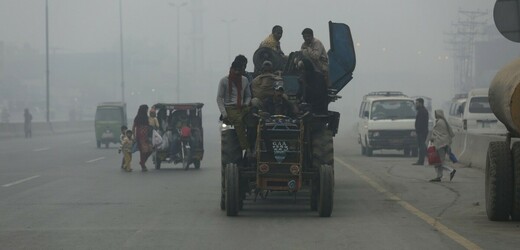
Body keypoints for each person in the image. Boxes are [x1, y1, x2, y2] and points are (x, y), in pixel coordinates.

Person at [217, 60, 252, 156]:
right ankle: (246, 148)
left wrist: (246, 103)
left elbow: (248, 95)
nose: (236, 73)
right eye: (235, 70)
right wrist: (224, 114)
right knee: (239, 121)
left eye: (239, 70)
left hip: (242, 107)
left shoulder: (245, 80)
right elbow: (219, 98)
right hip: (230, 108)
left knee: (254, 118)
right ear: (231, 69)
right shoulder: (224, 81)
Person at [429, 110, 456, 182]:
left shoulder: (439, 122)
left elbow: (435, 133)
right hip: (444, 143)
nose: (435, 115)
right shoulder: (443, 121)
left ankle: (451, 170)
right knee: (440, 161)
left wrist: (431, 139)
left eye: (436, 114)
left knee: (439, 162)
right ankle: (439, 176)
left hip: (440, 144)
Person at [132, 104, 152, 171]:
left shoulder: (146, 117)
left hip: (146, 137)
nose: (147, 111)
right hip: (139, 137)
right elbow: (133, 127)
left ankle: (142, 162)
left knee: (150, 150)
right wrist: (134, 136)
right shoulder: (137, 117)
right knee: (142, 151)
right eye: (146, 109)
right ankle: (143, 165)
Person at [413, 98, 429, 165]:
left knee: (422, 147)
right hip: (421, 131)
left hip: (422, 132)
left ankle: (422, 160)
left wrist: (418, 130)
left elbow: (421, 123)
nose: (415, 105)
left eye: (417, 103)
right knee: (421, 146)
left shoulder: (422, 111)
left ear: (420, 103)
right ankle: (421, 160)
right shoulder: (421, 111)